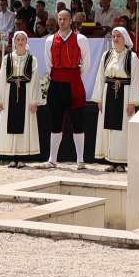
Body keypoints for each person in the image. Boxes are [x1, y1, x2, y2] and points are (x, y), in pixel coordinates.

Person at [42, 10, 91, 170]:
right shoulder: (50, 40)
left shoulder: (81, 39)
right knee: (55, 122)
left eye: (65, 19)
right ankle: (52, 159)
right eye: (60, 19)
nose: (62, 22)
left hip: (74, 84)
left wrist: (73, 75)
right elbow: (48, 63)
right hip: (56, 84)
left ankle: (80, 160)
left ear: (71, 21)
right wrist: (59, 76)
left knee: (78, 122)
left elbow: (87, 63)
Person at [92, 27, 139, 172]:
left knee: (122, 130)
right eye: (113, 36)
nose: (115, 39)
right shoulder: (106, 55)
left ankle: (121, 162)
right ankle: (111, 160)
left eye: (118, 36)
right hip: (108, 93)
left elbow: (135, 80)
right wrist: (99, 99)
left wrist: (132, 102)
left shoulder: (132, 57)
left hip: (124, 95)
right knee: (109, 129)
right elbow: (100, 77)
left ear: (125, 38)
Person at [0, 31, 42, 167]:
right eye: (18, 39)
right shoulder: (7, 58)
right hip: (9, 95)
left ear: (26, 42)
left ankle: (21, 158)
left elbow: (35, 81)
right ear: (14, 42)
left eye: (22, 39)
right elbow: (2, 78)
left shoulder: (32, 59)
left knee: (24, 124)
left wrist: (34, 101)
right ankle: (13, 157)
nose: (20, 42)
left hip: (26, 95)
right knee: (11, 124)